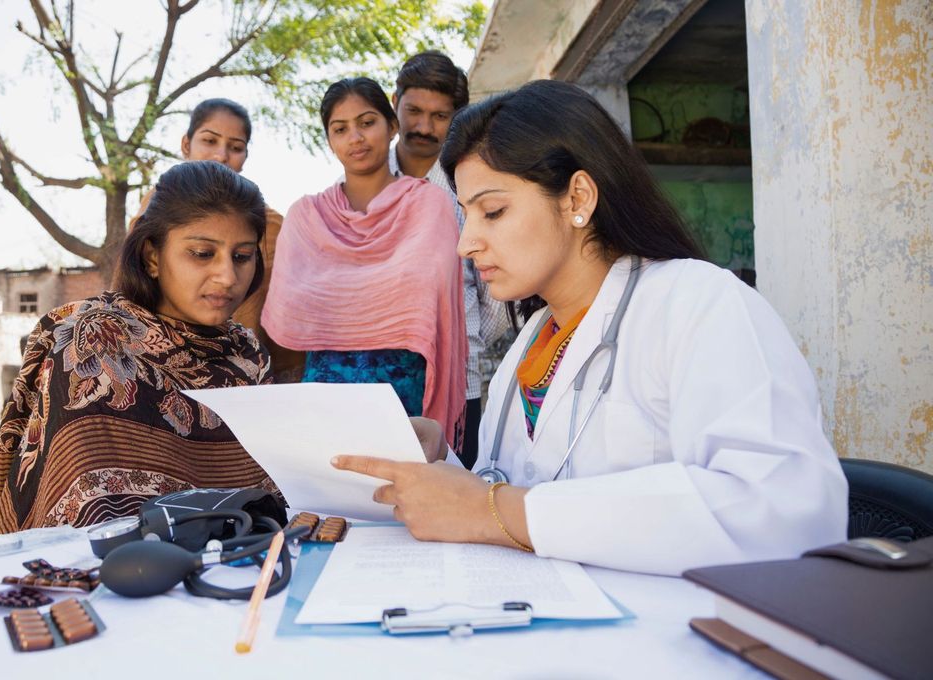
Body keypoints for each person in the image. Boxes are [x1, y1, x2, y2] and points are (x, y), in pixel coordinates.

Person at [332, 80, 848, 575]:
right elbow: (513, 485)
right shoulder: (533, 341)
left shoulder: (698, 302)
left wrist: (498, 509)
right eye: (466, 216)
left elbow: (786, 512)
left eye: (492, 211)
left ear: (577, 198)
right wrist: (440, 462)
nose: (466, 244)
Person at [0, 161, 277, 534]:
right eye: (203, 253)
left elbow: (273, 501)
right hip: (118, 576)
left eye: (242, 256)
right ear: (153, 256)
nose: (227, 275)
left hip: (248, 573)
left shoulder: (248, 356)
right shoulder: (93, 342)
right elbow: (86, 520)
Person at [261, 77, 467, 449]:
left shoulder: (429, 206)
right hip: (325, 392)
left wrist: (340, 299)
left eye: (367, 122)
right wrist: (380, 298)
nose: (355, 137)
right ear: (329, 140)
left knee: (402, 498)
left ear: (392, 126)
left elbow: (429, 296)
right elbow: (291, 308)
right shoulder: (307, 216)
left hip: (402, 388)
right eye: (340, 129)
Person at [130, 98, 305, 382]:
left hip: (245, 375)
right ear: (186, 144)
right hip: (155, 367)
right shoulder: (155, 209)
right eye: (209, 141)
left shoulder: (271, 226)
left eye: (235, 147)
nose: (221, 155)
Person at [389, 51, 507, 469]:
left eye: (439, 116)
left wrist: (459, 337)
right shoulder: (362, 186)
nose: (423, 126)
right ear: (394, 102)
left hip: (461, 383)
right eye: (414, 111)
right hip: (377, 380)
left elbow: (498, 300)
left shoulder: (472, 188)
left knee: (452, 501)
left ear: (457, 119)